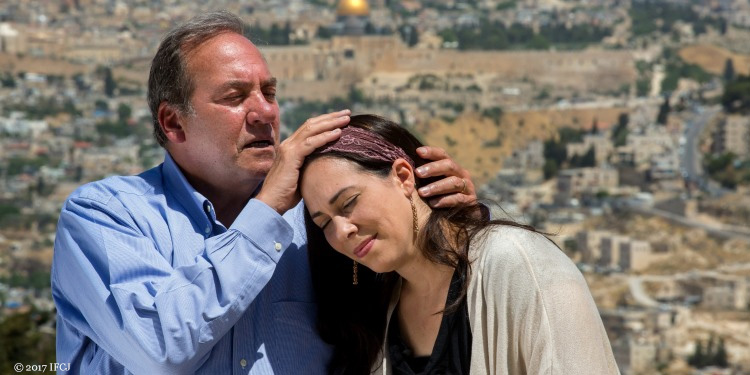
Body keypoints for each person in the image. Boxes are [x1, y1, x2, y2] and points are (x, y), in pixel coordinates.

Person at [51, 12, 477, 374]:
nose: (265, 112)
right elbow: (159, 351)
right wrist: (267, 211)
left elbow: (410, 302)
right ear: (173, 123)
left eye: (268, 93)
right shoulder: (105, 215)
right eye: (235, 97)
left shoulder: (320, 218)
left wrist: (444, 218)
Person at [299, 114, 620, 375]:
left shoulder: (515, 260)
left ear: (403, 177)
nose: (341, 231)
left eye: (349, 202)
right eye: (324, 222)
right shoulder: (380, 316)